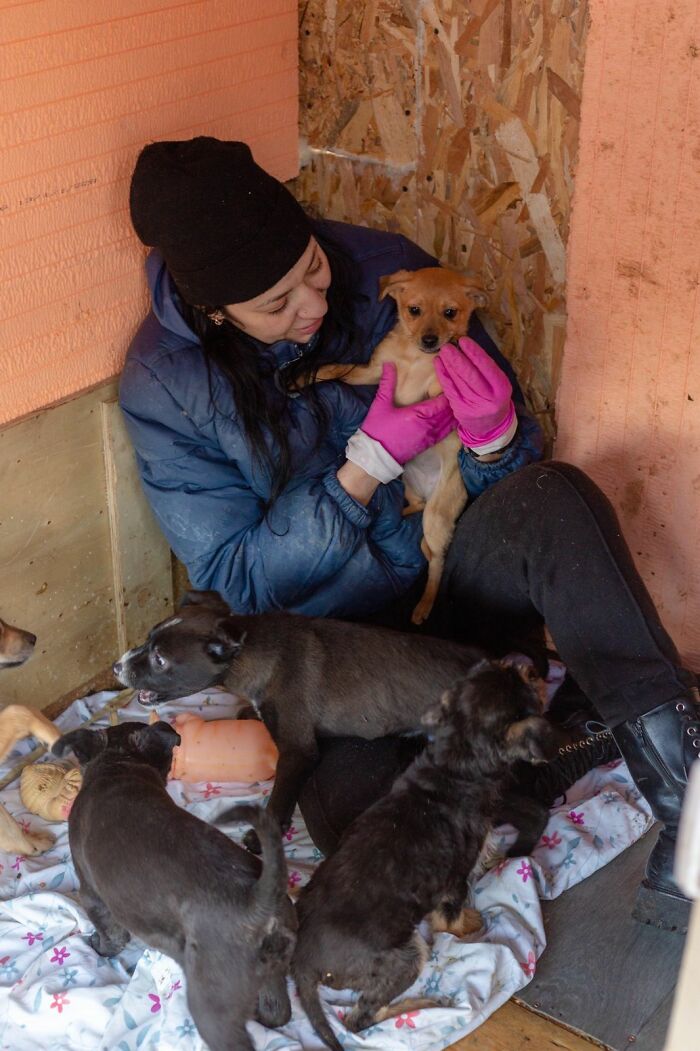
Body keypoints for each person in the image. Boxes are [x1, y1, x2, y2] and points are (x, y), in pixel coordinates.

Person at [122, 137, 698, 932]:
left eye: (312, 268)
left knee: (553, 495)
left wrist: (499, 442)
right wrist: (363, 466)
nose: (314, 305)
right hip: (336, 655)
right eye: (277, 304)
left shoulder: (390, 271)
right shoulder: (164, 387)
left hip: (447, 582)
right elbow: (239, 585)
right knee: (367, 837)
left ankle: (684, 791)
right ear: (216, 311)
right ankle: (545, 748)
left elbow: (495, 464)